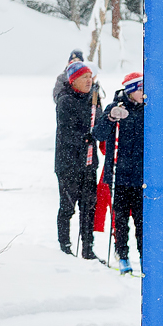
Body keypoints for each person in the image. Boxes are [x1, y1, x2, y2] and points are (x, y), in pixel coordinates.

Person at [92, 72, 145, 274]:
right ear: (131, 91)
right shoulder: (117, 108)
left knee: (142, 221)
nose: (144, 93)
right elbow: (98, 134)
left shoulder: (148, 110)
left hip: (141, 177)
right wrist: (110, 118)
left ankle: (144, 256)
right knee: (120, 220)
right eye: (140, 89)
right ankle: (122, 254)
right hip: (119, 175)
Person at [54, 60, 101, 259]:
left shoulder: (94, 98)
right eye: (84, 77)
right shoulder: (65, 100)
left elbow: (98, 123)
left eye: (90, 77)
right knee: (67, 207)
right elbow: (66, 132)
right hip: (68, 163)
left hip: (89, 163)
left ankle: (88, 249)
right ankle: (65, 247)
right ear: (73, 80)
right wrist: (85, 137)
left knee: (89, 207)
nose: (89, 81)